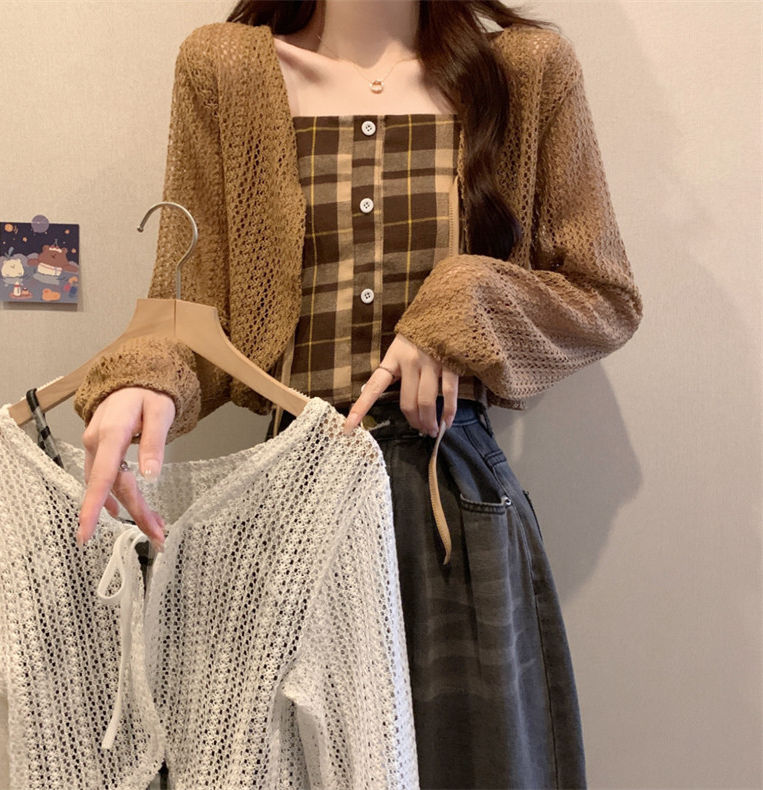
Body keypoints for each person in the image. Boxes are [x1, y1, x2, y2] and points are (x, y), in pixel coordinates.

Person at [75, 1, 642, 787]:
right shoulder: (226, 71)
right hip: (284, 506)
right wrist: (147, 379)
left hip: (448, 507)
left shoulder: (525, 73)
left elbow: (602, 297)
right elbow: (190, 306)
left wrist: (464, 303)